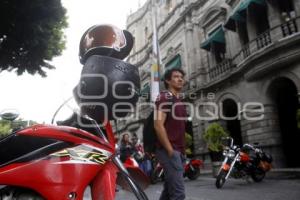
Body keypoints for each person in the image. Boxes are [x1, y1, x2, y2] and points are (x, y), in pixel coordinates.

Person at [154, 68, 187, 200]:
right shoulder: (164, 97)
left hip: (178, 151)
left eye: (181, 77)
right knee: (178, 194)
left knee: (169, 191)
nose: (180, 79)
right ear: (168, 80)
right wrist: (170, 150)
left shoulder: (177, 100)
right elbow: (158, 125)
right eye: (176, 77)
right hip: (169, 150)